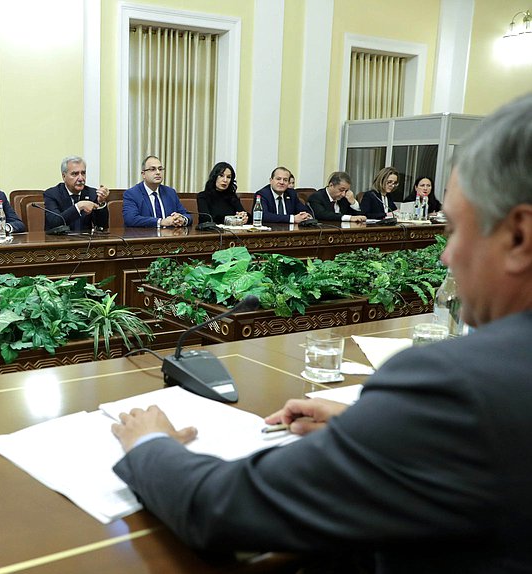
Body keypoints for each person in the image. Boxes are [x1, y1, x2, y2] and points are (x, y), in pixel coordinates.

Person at [111, 93, 532, 572]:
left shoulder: (453, 388)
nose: (444, 256)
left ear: (518, 237)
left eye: (455, 231)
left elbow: (221, 509)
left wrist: (150, 443)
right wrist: (377, 433)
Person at [42, 156, 109, 232]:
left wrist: (101, 203)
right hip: (59, 241)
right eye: (75, 174)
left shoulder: (92, 193)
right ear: (64, 176)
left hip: (86, 241)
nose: (81, 178)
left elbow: (102, 226)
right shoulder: (52, 194)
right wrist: (78, 206)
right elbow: (54, 223)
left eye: (83, 173)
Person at [123, 155, 191, 228]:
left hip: (170, 236)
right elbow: (130, 219)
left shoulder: (170, 192)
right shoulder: (132, 194)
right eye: (153, 169)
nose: (158, 172)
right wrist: (161, 222)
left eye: (160, 169)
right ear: (143, 174)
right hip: (145, 237)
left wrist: (182, 219)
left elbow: (186, 214)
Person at [196, 162, 247, 226]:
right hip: (211, 233)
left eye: (228, 177)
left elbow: (244, 213)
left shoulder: (232, 197)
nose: (225, 180)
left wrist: (244, 217)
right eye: (221, 176)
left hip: (232, 233)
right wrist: (232, 219)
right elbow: (206, 219)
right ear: (214, 177)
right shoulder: (203, 196)